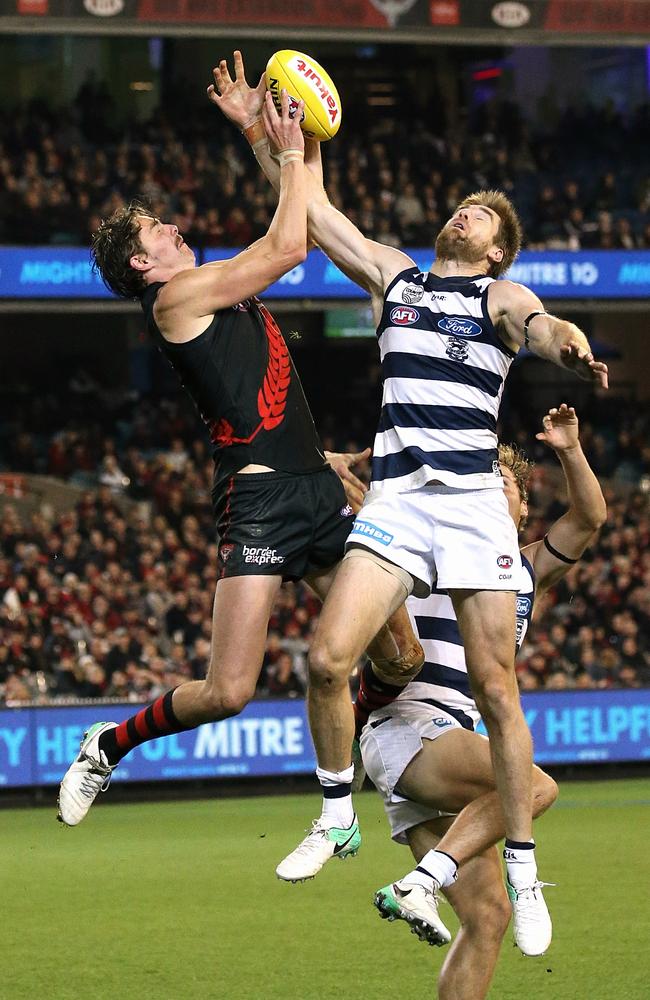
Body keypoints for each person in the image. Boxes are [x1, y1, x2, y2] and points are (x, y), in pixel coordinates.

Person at [210, 52, 609, 923]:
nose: (464, 214)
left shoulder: (498, 296)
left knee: (499, 692)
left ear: (497, 249)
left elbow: (539, 324)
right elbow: (310, 214)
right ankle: (333, 816)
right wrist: (269, 132)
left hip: (468, 503)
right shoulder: (399, 276)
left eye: (481, 217)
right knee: (324, 660)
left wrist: (569, 344)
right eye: (463, 207)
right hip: (396, 500)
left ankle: (526, 875)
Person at [57, 86, 422, 833]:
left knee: (403, 656)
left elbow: (306, 231)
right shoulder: (178, 300)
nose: (174, 227)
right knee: (228, 692)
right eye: (158, 228)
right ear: (140, 260)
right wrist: (283, 146)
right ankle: (107, 745)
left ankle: (367, 743)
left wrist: (268, 129)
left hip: (315, 485)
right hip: (259, 504)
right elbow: (289, 246)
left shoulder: (215, 284)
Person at [355, 406, 606, 989]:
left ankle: (424, 879)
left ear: (521, 508)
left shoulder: (525, 569)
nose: (491, 488)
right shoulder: (437, 540)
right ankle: (422, 880)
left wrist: (569, 449)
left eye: (505, 484)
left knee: (488, 916)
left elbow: (590, 517)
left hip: (446, 744)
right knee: (532, 785)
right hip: (410, 727)